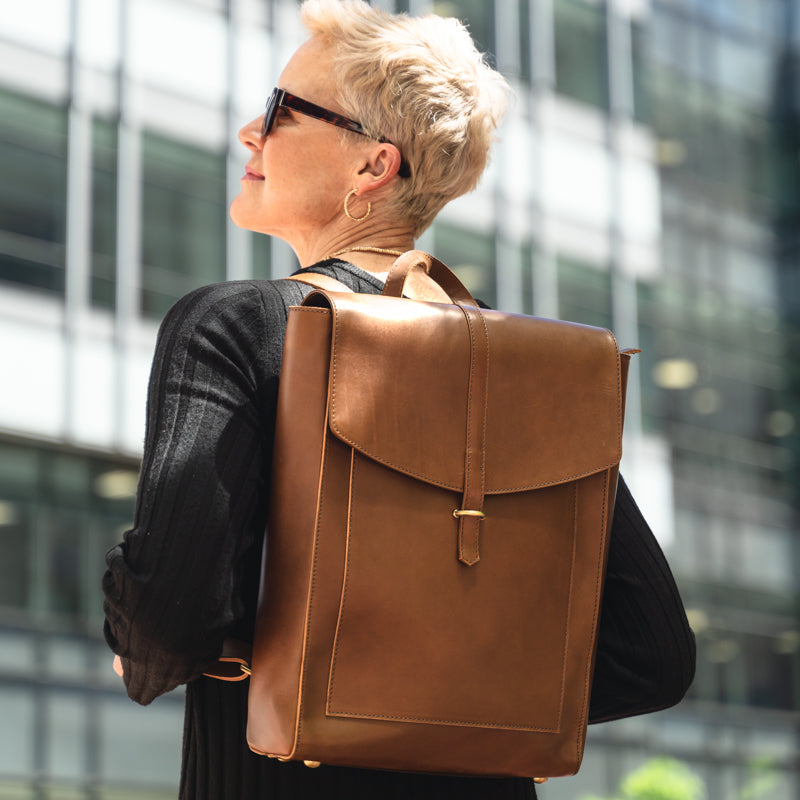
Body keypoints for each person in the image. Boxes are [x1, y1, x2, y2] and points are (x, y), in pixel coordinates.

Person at [102, 1, 696, 798]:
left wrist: (142, 639)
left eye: (281, 110)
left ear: (372, 167)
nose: (251, 130)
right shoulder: (530, 373)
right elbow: (653, 657)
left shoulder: (237, 327)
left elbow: (166, 627)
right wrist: (438, 696)